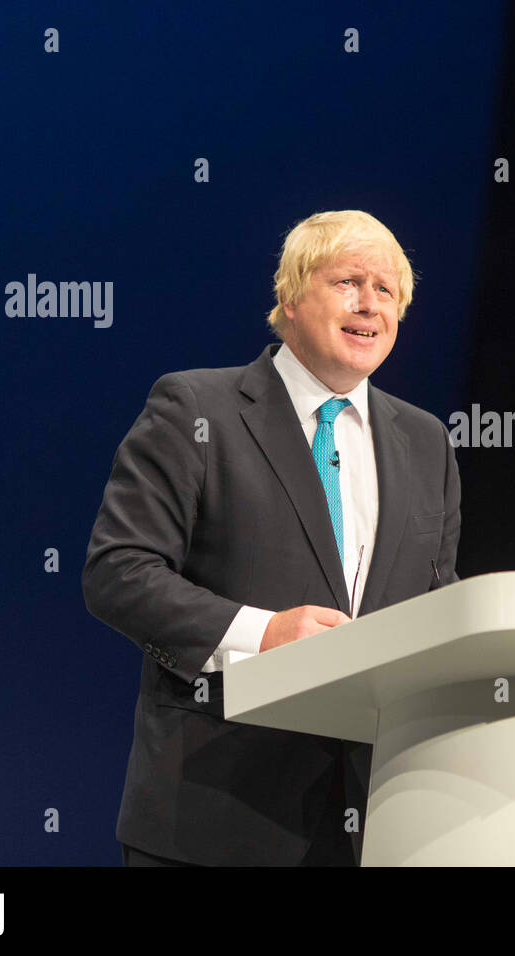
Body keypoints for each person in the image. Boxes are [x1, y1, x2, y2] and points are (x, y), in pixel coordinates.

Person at [82, 210, 462, 866]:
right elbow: (118, 572)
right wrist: (263, 635)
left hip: (371, 828)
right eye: (347, 281)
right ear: (289, 296)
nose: (369, 304)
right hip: (214, 817)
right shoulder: (197, 410)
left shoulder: (426, 441)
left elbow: (438, 600)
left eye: (387, 290)